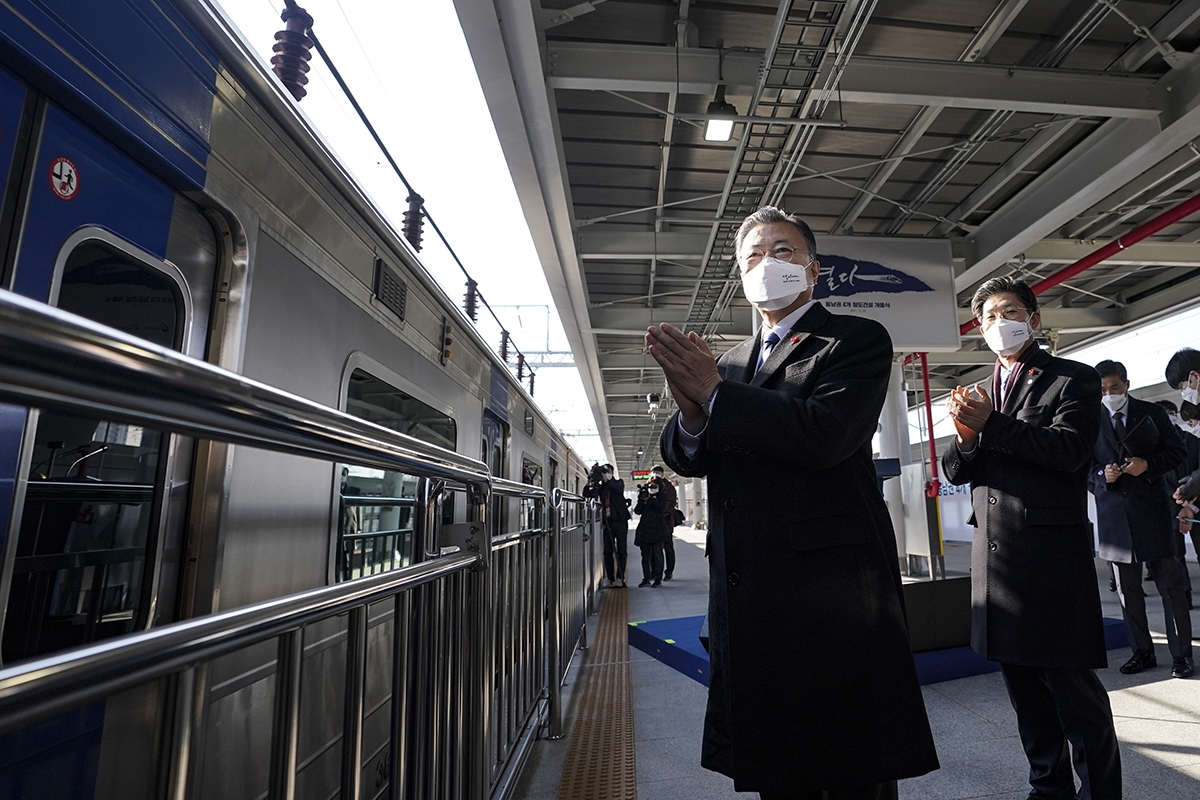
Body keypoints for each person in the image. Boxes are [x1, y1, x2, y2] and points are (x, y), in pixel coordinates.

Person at [649, 206, 937, 798]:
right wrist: (691, 409)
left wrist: (714, 394)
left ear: (813, 270)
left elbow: (825, 433)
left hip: (831, 590)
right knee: (776, 760)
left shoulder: (854, 339)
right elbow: (689, 457)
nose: (767, 263)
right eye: (754, 256)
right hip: (748, 585)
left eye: (782, 251)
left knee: (851, 761)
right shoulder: (727, 361)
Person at [942, 276, 1121, 800]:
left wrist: (991, 425)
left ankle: (1100, 793)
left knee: (1073, 692)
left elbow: (1068, 451)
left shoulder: (1073, 380)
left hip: (1049, 558)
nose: (1001, 323)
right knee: (1023, 692)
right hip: (996, 561)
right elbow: (956, 471)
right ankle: (1048, 788)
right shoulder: (979, 389)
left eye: (1010, 311)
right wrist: (967, 438)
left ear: (1034, 319)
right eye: (990, 316)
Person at [1088, 361, 1192, 679]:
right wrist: (1102, 475)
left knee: (1171, 588)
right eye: (1103, 390)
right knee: (1126, 591)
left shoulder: (1152, 413)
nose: (1109, 394)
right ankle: (1142, 652)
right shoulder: (1088, 421)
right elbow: (1081, 469)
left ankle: (1182, 656)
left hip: (1154, 513)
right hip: (1114, 522)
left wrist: (1148, 464)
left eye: (1114, 388)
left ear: (1127, 384)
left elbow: (1178, 452)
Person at [582, 463, 630, 587]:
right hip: (607, 523)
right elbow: (586, 493)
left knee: (621, 551)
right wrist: (590, 481)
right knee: (607, 552)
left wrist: (606, 479)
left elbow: (617, 488)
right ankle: (610, 578)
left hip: (620, 521)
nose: (605, 474)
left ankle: (620, 578)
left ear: (611, 473)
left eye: (607, 471)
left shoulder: (618, 482)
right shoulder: (601, 488)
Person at [633, 480, 670, 587]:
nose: (652, 488)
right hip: (644, 530)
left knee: (657, 555)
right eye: (650, 486)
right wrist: (641, 500)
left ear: (659, 487)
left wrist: (650, 499)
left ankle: (658, 579)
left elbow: (661, 508)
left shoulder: (663, 496)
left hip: (658, 530)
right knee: (645, 556)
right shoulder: (645, 497)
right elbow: (637, 511)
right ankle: (646, 578)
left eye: (654, 486)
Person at [651, 465, 679, 579]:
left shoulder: (669, 487)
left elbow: (671, 503)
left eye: (658, 472)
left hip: (666, 521)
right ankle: (655, 572)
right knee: (654, 549)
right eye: (654, 472)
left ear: (662, 474)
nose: (656, 474)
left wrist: (661, 509)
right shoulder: (650, 485)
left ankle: (669, 572)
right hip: (653, 522)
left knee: (668, 547)